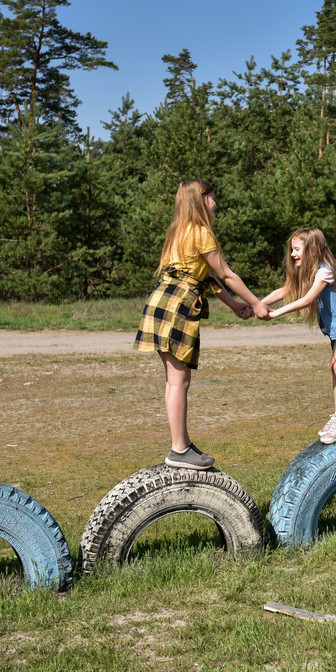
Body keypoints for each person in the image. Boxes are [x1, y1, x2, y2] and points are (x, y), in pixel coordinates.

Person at [134, 180, 270, 470]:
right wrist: (256, 303)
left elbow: (206, 277)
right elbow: (227, 274)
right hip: (178, 305)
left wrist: (234, 306)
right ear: (200, 200)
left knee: (175, 380)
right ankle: (179, 448)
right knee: (178, 381)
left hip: (162, 301)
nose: (216, 203)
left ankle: (181, 444)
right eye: (212, 198)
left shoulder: (178, 232)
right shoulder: (201, 232)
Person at [262, 227, 336, 444]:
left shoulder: (324, 272)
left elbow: (306, 300)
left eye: (296, 249)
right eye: (292, 250)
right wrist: (257, 304)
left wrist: (275, 314)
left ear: (312, 250)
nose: (292, 254)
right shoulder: (309, 272)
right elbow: (284, 291)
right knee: (334, 366)